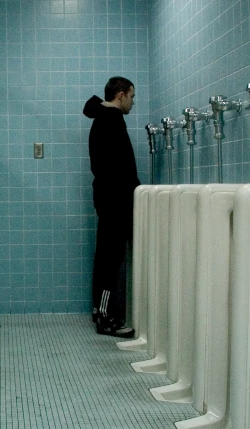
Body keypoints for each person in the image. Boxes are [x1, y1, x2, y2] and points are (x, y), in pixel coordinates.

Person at [82, 77, 140, 338]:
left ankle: (100, 310)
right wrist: (134, 191)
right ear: (120, 94)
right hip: (115, 198)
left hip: (108, 196)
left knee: (105, 255)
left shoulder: (102, 118)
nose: (133, 102)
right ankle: (105, 318)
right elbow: (121, 166)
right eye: (131, 96)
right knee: (111, 258)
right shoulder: (111, 119)